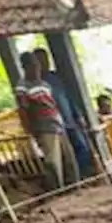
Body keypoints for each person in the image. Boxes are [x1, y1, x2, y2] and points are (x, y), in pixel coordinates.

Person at [15, 50, 77, 190]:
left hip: (57, 124)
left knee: (68, 158)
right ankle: (58, 190)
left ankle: (74, 186)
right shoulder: (22, 87)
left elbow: (52, 103)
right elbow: (23, 110)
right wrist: (30, 130)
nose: (37, 69)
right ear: (26, 67)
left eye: (38, 65)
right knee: (53, 162)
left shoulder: (44, 84)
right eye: (34, 66)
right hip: (43, 126)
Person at [34, 48, 93, 177]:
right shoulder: (35, 83)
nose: (44, 63)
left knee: (82, 147)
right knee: (65, 155)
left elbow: (68, 96)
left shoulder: (55, 77)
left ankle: (84, 174)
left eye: (45, 59)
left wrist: (78, 114)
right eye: (40, 60)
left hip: (69, 119)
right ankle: (74, 179)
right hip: (54, 125)